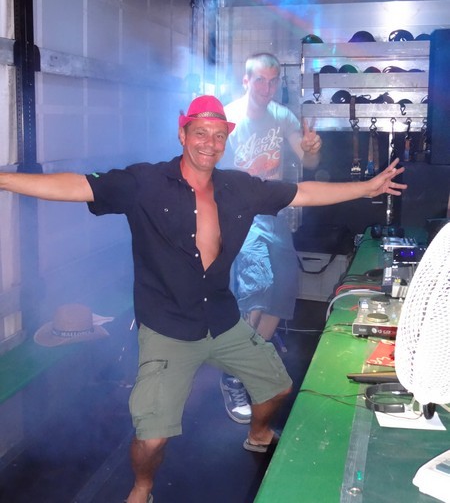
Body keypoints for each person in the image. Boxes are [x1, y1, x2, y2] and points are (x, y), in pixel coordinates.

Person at [0, 95, 406, 503]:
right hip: (168, 329)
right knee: (152, 439)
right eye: (200, 133)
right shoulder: (144, 182)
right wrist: (3, 179)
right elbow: (76, 185)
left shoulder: (239, 187)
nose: (209, 143)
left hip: (223, 321)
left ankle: (259, 433)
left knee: (278, 388)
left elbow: (302, 192)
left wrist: (367, 187)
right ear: (182, 134)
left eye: (218, 135)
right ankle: (142, 487)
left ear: (226, 139)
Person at [220, 52, 322, 424]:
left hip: (274, 214)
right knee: (258, 287)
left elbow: (308, 161)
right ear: (246, 81)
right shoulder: (228, 117)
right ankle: (232, 376)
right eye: (260, 80)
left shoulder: (283, 116)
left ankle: (252, 362)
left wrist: (311, 151)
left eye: (273, 80)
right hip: (241, 216)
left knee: (283, 291)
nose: (266, 87)